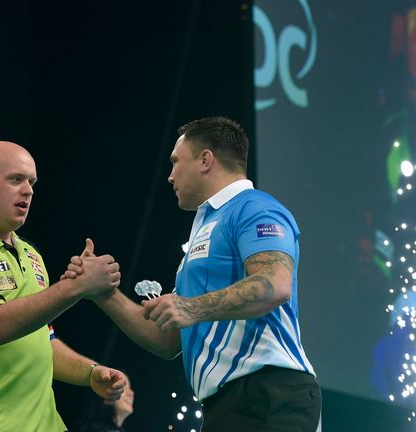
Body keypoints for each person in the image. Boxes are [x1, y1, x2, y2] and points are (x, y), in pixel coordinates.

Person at [65, 117, 321, 431]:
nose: (170, 175)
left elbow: (275, 284)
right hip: (227, 404)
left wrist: (190, 306)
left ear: (205, 160)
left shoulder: (254, 208)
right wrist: (102, 292)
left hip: (267, 393)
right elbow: (168, 339)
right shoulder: (205, 227)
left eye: (175, 162)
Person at [0, 141, 127, 431]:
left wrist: (90, 373)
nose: (28, 190)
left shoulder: (31, 254)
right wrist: (75, 287)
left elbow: (43, 341)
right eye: (16, 179)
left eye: (31, 182)